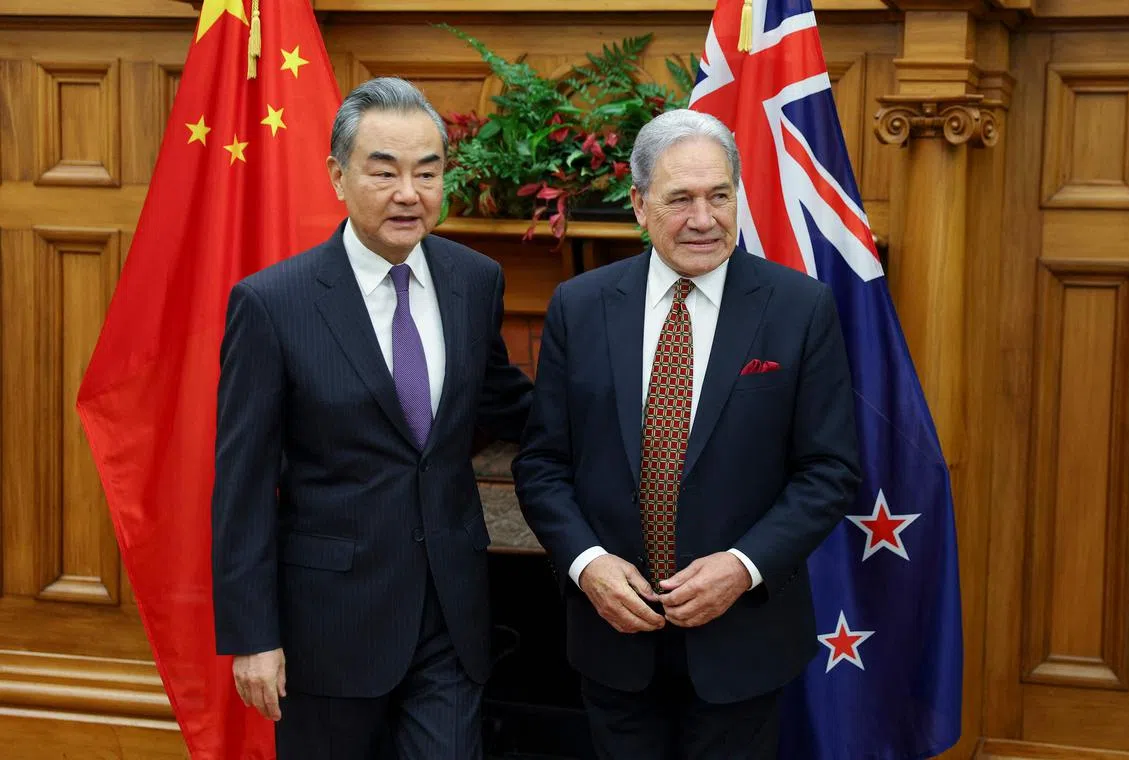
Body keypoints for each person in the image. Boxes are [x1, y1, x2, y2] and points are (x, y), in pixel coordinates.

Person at [511, 109, 860, 759]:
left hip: (745, 639)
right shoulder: (580, 308)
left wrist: (743, 566)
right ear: (640, 205)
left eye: (719, 195)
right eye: (680, 199)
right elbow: (542, 464)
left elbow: (830, 469)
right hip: (613, 638)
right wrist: (587, 565)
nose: (704, 218)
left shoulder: (799, 308)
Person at [211, 77, 533, 759]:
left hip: (451, 613)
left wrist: (640, 423)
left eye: (428, 171)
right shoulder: (274, 305)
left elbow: (508, 402)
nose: (408, 193)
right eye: (383, 172)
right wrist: (252, 636)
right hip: (329, 626)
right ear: (338, 175)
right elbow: (241, 484)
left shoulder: (474, 281)